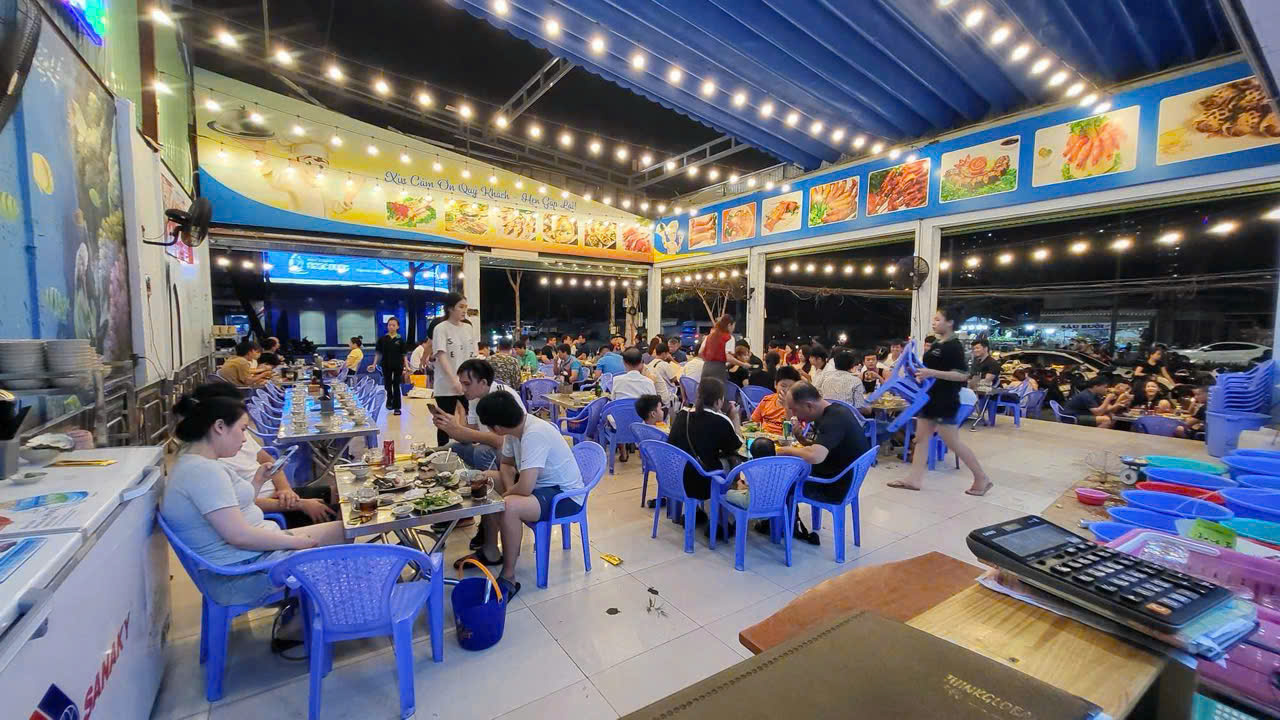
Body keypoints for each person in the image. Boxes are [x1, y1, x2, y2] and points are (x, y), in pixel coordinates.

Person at [160, 391, 344, 606]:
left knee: (341, 531)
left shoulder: (197, 463)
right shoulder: (203, 472)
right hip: (243, 572)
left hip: (250, 554)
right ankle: (307, 615)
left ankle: (305, 610)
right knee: (347, 553)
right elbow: (239, 536)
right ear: (219, 427)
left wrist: (258, 481)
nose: (244, 438)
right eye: (242, 429)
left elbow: (233, 507)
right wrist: (296, 542)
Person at [462, 390, 586, 600]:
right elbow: (506, 464)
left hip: (565, 496)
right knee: (487, 479)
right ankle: (491, 550)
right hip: (541, 486)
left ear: (496, 428)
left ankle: (508, 576)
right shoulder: (515, 430)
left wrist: (507, 495)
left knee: (509, 506)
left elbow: (526, 487)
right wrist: (509, 488)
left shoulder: (534, 433)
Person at [193, 382, 337, 527]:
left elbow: (269, 461)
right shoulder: (210, 465)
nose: (244, 436)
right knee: (341, 516)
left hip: (279, 496)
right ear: (219, 424)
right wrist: (300, 504)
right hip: (270, 511)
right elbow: (239, 506)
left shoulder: (237, 435)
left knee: (338, 493)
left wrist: (285, 489)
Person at [889, 306, 993, 495]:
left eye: (938, 319)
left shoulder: (954, 346)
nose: (934, 323)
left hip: (945, 400)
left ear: (950, 322)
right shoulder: (938, 343)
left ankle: (981, 478)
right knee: (921, 439)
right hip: (930, 399)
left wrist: (932, 372)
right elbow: (930, 369)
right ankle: (914, 479)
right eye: (934, 319)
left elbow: (962, 375)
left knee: (952, 442)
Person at [775, 382, 871, 504]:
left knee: (780, 484)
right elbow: (822, 447)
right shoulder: (834, 410)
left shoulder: (833, 419)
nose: (794, 415)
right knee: (787, 475)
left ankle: (786, 516)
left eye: (794, 410)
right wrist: (801, 439)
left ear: (809, 406)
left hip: (833, 487)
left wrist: (783, 450)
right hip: (839, 476)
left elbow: (815, 456)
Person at [432, 358, 525, 471]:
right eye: (461, 383)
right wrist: (449, 428)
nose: (463, 389)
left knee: (481, 451)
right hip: (493, 449)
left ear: (483, 382)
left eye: (467, 384)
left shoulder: (501, 397)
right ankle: (426, 456)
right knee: (453, 448)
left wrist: (458, 429)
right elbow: (469, 434)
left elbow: (500, 441)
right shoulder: (474, 397)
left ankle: (491, 480)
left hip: (514, 456)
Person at [668, 378, 741, 509]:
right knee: (733, 461)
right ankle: (724, 505)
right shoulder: (721, 421)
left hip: (675, 476)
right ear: (718, 401)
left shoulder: (682, 414)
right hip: (702, 480)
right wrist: (735, 417)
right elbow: (737, 446)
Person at [368, 317, 408, 416]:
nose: (391, 327)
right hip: (386, 365)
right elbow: (378, 353)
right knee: (387, 384)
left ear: (397, 327)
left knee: (396, 385)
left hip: (398, 365)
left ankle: (397, 407)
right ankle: (389, 398)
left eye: (393, 325)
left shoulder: (400, 340)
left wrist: (407, 366)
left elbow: (404, 354)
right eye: (389, 325)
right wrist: (374, 364)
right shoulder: (382, 339)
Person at [699, 314, 748, 384]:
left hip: (706, 368)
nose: (733, 329)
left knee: (706, 390)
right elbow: (728, 357)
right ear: (729, 325)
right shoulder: (729, 338)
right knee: (718, 390)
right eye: (733, 326)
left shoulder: (709, 336)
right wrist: (743, 364)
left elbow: (700, 352)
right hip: (718, 370)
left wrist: (708, 360)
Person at [751, 365, 800, 434]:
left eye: (792, 387)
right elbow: (754, 421)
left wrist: (787, 407)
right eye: (783, 386)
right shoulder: (767, 400)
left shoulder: (798, 406)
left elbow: (793, 432)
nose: (787, 390)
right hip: (764, 436)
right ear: (775, 384)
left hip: (784, 438)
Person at [647, 343, 680, 412]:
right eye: (667, 353)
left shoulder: (650, 364)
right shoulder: (665, 365)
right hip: (667, 392)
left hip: (655, 392)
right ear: (664, 353)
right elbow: (673, 379)